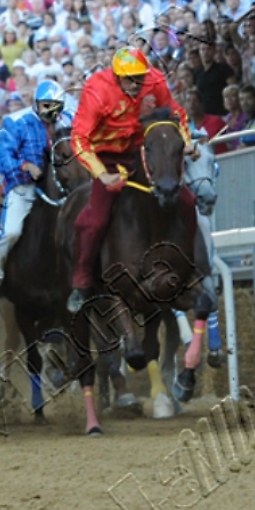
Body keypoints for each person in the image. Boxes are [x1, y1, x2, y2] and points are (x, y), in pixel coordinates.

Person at [67, 47, 198, 313]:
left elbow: (176, 114)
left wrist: (186, 142)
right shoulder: (96, 91)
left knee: (186, 201)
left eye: (140, 78)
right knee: (96, 218)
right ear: (116, 77)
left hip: (143, 152)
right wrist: (103, 175)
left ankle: (191, 267)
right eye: (130, 79)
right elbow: (79, 140)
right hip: (108, 158)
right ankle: (81, 281)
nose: (136, 84)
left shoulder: (156, 81)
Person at [0, 80, 72, 301]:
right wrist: (25, 167)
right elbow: (1, 156)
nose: (50, 111)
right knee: (11, 231)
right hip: (23, 186)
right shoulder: (16, 121)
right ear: (36, 103)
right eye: (46, 105)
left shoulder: (67, 122)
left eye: (55, 106)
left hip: (63, 187)